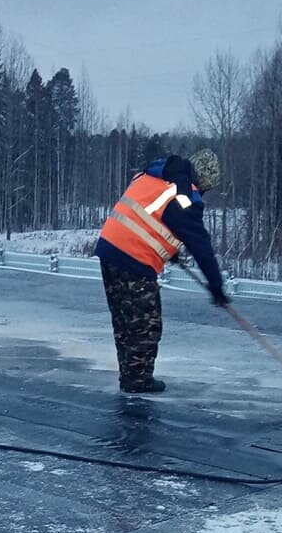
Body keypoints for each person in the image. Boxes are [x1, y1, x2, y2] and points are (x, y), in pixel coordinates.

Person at [96, 150, 230, 394]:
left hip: (108, 250)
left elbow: (149, 216)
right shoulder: (184, 196)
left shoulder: (157, 175)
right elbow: (201, 245)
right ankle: (138, 380)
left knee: (125, 320)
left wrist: (170, 250)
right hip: (133, 258)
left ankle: (130, 375)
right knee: (147, 323)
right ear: (204, 180)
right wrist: (216, 285)